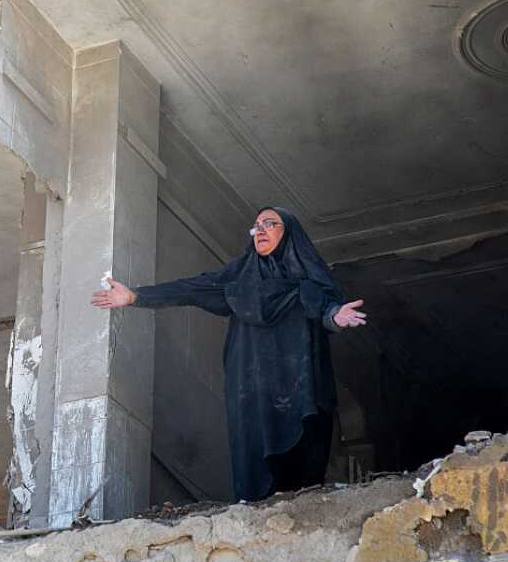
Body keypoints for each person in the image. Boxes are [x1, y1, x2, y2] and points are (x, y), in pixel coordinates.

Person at [91, 207, 366, 502]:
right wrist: (137, 297)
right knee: (256, 458)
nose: (259, 230)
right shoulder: (238, 280)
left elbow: (325, 307)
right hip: (251, 389)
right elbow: (191, 288)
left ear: (289, 233)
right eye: (256, 226)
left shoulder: (308, 282)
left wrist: (335, 317)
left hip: (300, 386)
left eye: (270, 224)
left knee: (304, 460)